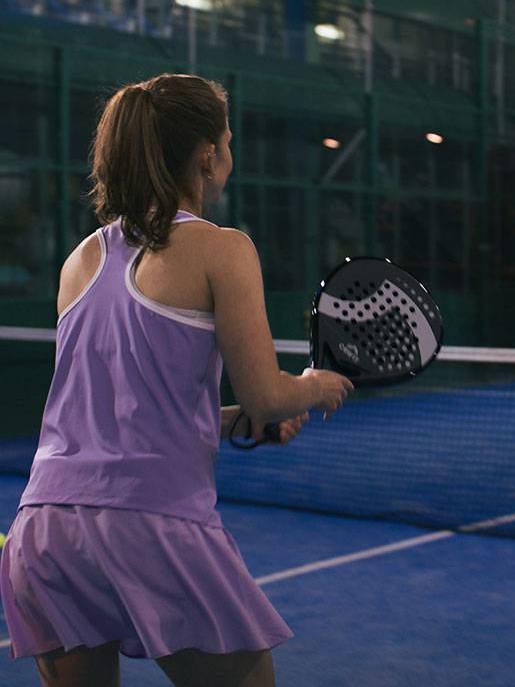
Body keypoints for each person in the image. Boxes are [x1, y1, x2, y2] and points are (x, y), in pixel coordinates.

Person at [0, 74, 353, 686]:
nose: (231, 157)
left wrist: (237, 422)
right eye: (229, 142)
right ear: (208, 157)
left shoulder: (77, 261)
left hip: (45, 528)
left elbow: (115, 420)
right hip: (152, 525)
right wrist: (315, 386)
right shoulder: (222, 249)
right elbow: (270, 393)